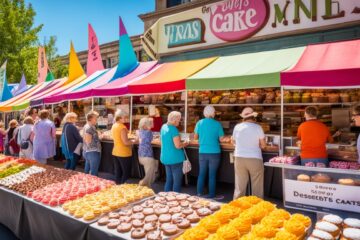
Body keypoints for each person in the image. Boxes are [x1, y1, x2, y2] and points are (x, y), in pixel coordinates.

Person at [232, 107, 266, 199]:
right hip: (254, 158)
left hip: (239, 157)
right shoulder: (258, 127)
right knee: (257, 186)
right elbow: (263, 145)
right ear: (253, 118)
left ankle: (236, 207)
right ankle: (257, 208)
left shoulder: (237, 127)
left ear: (243, 118)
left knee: (240, 185)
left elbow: (233, 142)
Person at [194, 105, 225, 199]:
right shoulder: (217, 124)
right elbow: (221, 139)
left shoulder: (199, 123)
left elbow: (195, 137)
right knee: (212, 175)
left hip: (202, 151)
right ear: (213, 113)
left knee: (201, 173)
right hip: (215, 152)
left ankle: (199, 193)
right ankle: (212, 195)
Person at [160, 111, 188, 192]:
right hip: (175, 159)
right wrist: (185, 143)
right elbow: (178, 145)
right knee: (177, 182)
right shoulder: (174, 129)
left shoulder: (163, 127)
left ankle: (166, 198)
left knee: (169, 180)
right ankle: (175, 199)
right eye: (179, 120)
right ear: (174, 120)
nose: (179, 122)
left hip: (165, 157)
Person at [111, 109, 133, 184]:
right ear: (120, 118)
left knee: (118, 173)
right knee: (126, 173)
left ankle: (118, 188)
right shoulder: (122, 127)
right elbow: (126, 142)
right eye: (125, 117)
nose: (126, 119)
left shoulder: (114, 125)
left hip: (115, 151)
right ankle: (123, 189)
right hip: (123, 153)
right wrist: (135, 141)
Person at [138, 117, 158, 187]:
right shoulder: (148, 132)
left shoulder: (139, 132)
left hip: (141, 156)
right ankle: (141, 185)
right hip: (148, 156)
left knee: (149, 175)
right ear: (145, 125)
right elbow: (151, 138)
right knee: (149, 177)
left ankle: (146, 190)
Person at [83, 111, 101, 176]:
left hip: (89, 151)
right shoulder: (89, 127)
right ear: (90, 119)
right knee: (94, 172)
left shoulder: (88, 126)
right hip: (92, 152)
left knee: (87, 171)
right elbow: (88, 140)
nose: (96, 120)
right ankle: (92, 185)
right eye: (95, 118)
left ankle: (86, 184)